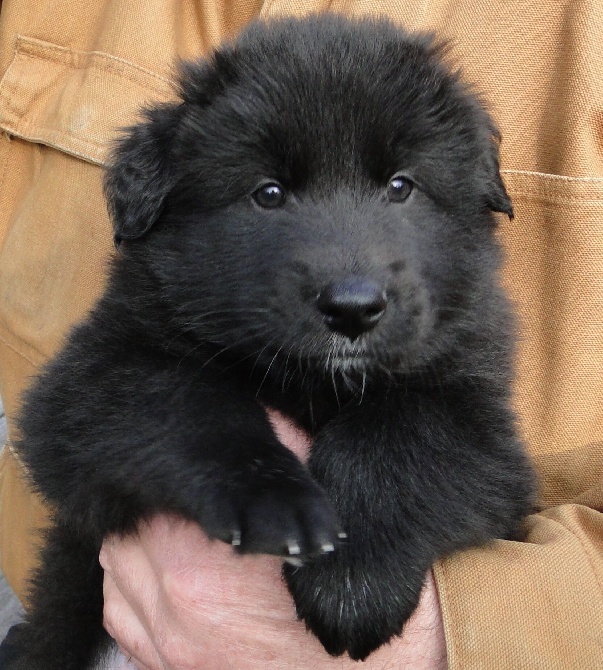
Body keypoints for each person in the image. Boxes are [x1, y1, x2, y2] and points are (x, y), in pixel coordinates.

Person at [0, 0, 601, 668]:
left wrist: (389, 547)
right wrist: (229, 463)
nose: (351, 284)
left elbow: (488, 470)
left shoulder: (452, 362)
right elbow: (66, 426)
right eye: (268, 193)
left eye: (399, 185)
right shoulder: (151, 328)